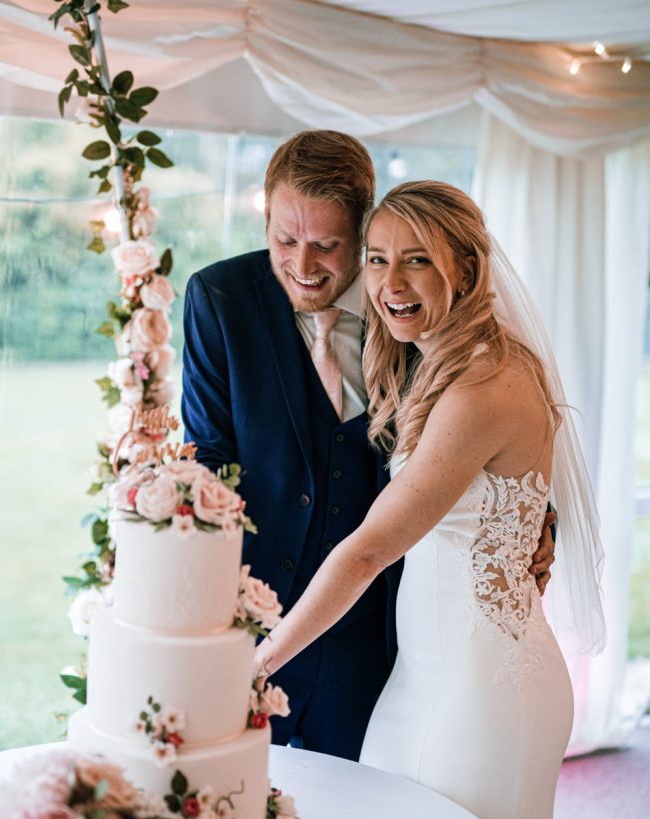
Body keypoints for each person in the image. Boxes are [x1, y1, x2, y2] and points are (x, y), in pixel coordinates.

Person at [252, 181, 604, 819]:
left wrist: (254, 663)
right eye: (376, 258)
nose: (388, 279)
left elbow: (371, 547)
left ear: (467, 267)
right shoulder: (447, 357)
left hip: (487, 693)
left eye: (416, 259)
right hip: (430, 677)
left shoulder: (483, 383)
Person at [182, 130, 555, 762]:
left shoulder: (418, 308)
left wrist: (534, 523)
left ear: (363, 230)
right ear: (265, 215)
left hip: (381, 632)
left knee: (369, 818)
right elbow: (211, 459)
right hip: (257, 608)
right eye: (283, 240)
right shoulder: (220, 299)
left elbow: (493, 443)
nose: (302, 266)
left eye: (327, 246)